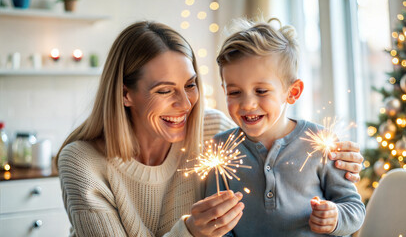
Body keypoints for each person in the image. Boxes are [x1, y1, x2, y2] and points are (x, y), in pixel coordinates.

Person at [57, 21, 364, 237]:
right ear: (126, 93)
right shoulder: (82, 162)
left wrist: (340, 157)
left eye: (190, 86)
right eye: (165, 91)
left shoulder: (214, 131)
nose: (185, 104)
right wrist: (190, 233)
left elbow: (272, 142)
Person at [205, 19, 365, 237]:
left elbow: (354, 207)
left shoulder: (319, 142)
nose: (247, 104)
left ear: (293, 92)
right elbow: (216, 223)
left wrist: (336, 216)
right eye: (234, 92)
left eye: (261, 91)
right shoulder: (219, 150)